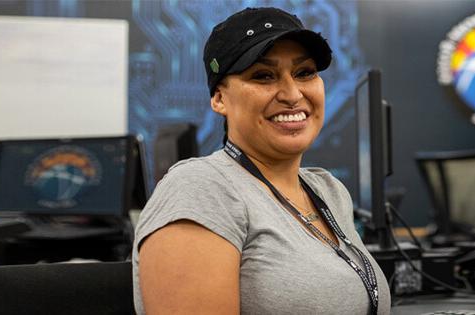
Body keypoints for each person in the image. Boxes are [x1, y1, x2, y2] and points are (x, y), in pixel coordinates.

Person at [132, 7, 390, 314]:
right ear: (219, 98)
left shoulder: (328, 190)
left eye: (304, 72)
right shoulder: (200, 189)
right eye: (263, 75)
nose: (293, 94)